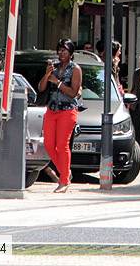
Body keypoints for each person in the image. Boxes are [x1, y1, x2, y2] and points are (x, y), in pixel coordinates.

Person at [39, 38, 82, 193]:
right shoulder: (54, 68)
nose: (61, 53)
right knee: (49, 145)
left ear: (70, 53)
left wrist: (57, 82)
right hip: (52, 109)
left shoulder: (75, 69)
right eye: (59, 50)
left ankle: (63, 181)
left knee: (62, 145)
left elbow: (73, 92)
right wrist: (47, 74)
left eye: (64, 50)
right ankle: (66, 171)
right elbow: (41, 87)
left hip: (67, 111)